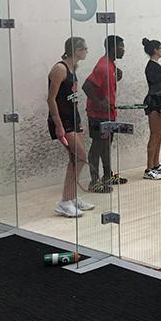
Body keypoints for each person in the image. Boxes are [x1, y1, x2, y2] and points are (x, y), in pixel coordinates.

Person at [47, 37, 94, 217]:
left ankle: (71, 198)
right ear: (76, 50)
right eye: (85, 48)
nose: (87, 51)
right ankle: (64, 202)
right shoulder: (60, 69)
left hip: (74, 119)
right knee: (80, 157)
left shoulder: (73, 69)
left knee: (76, 159)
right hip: (63, 121)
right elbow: (51, 99)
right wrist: (58, 126)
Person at [82, 35, 126, 193]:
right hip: (97, 115)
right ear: (113, 48)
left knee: (107, 145)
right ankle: (94, 182)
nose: (124, 50)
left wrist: (116, 73)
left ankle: (107, 177)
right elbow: (86, 86)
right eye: (121, 47)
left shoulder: (110, 65)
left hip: (108, 115)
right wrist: (99, 103)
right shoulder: (103, 66)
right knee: (97, 146)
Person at [142, 38, 161, 180]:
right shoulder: (151, 67)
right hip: (155, 105)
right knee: (154, 135)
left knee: (160, 135)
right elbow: (156, 90)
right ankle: (148, 169)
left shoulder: (155, 66)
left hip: (160, 105)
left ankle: (156, 165)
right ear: (155, 50)